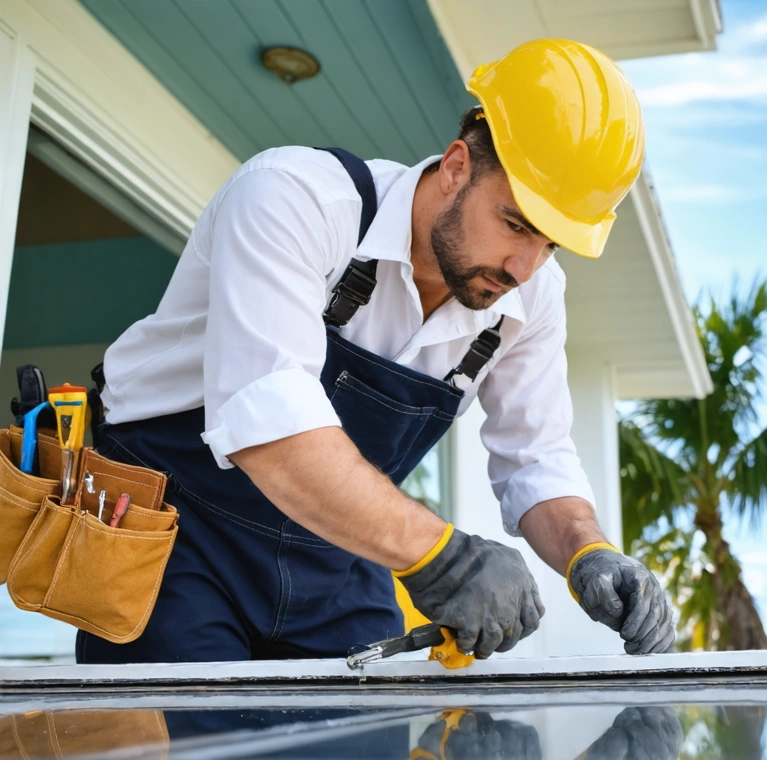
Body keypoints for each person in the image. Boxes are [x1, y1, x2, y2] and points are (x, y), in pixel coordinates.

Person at [80, 39, 675, 664]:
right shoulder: (294, 198)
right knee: (176, 750)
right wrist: (444, 557)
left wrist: (588, 549)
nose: (524, 267)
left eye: (551, 244)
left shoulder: (533, 295)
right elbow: (269, 424)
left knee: (368, 752)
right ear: (454, 167)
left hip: (337, 550)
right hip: (172, 531)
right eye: (517, 223)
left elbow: (535, 457)